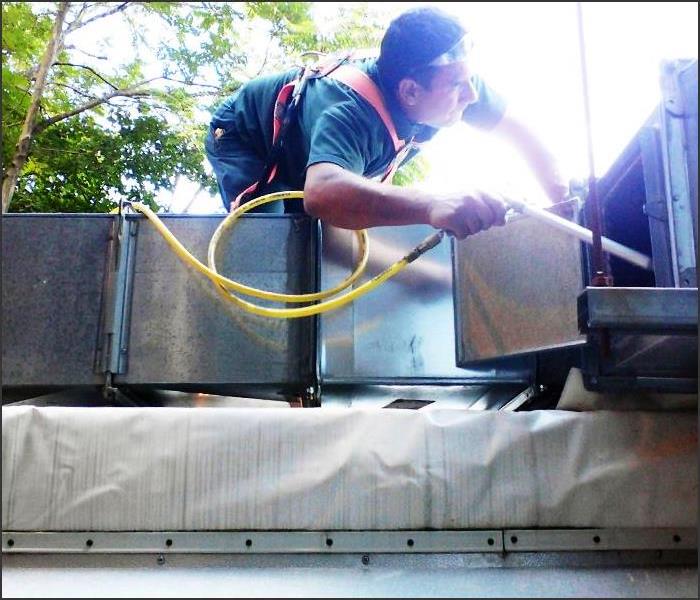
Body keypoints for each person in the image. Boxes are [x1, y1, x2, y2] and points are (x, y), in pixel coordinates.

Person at [205, 6, 568, 240]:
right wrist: (432, 203)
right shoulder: (350, 111)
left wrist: (565, 207)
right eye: (459, 86)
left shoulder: (453, 81)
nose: (471, 95)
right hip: (247, 138)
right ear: (410, 92)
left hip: (318, 154)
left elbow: (523, 136)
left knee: (332, 240)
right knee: (273, 242)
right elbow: (323, 193)